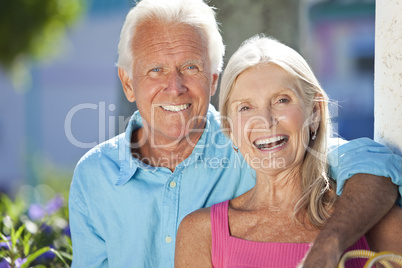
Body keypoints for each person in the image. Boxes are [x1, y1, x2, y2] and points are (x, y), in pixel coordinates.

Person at [68, 0, 402, 267]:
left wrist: (328, 245)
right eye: (156, 69)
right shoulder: (94, 175)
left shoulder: (259, 147)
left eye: (191, 67)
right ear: (128, 82)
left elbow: (373, 165)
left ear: (213, 79)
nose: (175, 87)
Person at [174, 35, 402, 268]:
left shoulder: (372, 220)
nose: (265, 120)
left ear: (314, 112)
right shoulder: (200, 233)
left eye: (282, 100)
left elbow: (380, 164)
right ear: (231, 130)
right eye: (246, 107)